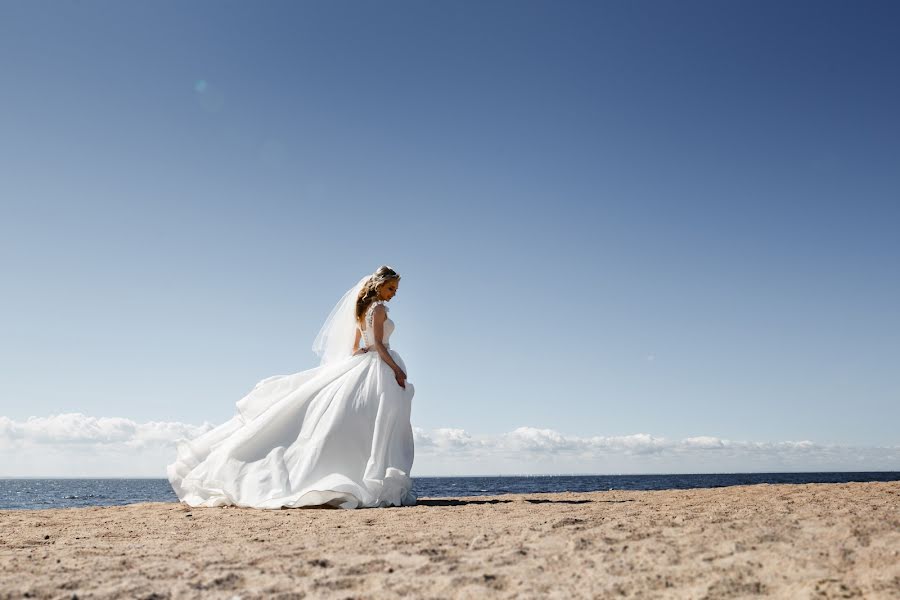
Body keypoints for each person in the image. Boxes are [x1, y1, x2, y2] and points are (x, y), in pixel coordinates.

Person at [166, 266, 416, 509]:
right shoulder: (380, 309)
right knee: (379, 421)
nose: (394, 293)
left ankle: (366, 473)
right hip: (378, 367)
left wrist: (366, 350)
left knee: (368, 420)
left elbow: (355, 348)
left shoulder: (362, 310)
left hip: (364, 363)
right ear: (379, 285)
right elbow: (381, 347)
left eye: (395, 289)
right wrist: (396, 369)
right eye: (391, 287)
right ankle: (375, 475)